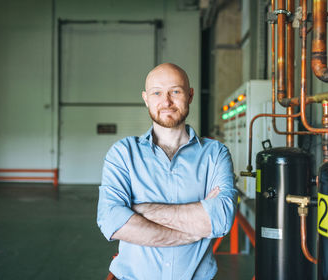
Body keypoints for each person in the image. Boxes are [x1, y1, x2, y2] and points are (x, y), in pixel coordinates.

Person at [97, 63, 238, 280]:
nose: (166, 102)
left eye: (175, 91)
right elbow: (111, 221)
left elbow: (221, 219)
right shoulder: (123, 153)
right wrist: (195, 229)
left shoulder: (215, 154)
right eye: (157, 93)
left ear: (190, 95)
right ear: (146, 98)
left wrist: (138, 211)